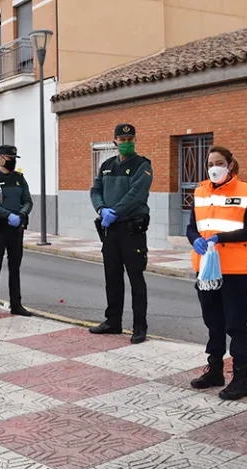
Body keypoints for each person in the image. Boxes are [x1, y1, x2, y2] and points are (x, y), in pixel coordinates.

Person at [186, 146, 247, 401]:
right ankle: (215, 370)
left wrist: (221, 238)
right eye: (209, 163)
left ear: (230, 165)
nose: (213, 167)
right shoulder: (200, 191)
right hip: (206, 270)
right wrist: (194, 239)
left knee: (236, 325)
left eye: (219, 162)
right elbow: (192, 227)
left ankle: (241, 379)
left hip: (236, 271)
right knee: (213, 322)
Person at [89, 124, 153, 344]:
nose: (126, 142)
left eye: (130, 138)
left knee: (136, 279)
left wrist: (115, 211)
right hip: (110, 230)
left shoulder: (141, 165)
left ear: (135, 139)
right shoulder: (106, 165)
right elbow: (95, 189)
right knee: (112, 277)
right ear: (114, 141)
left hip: (131, 230)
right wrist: (101, 209)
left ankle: (139, 326)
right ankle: (113, 321)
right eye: (122, 138)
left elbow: (137, 194)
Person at [0, 145, 33, 319]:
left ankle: (16, 305)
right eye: (10, 159)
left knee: (15, 268)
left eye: (14, 159)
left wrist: (21, 214)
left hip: (16, 229)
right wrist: (7, 214)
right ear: (0, 158)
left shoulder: (19, 179)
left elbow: (28, 200)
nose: (12, 163)